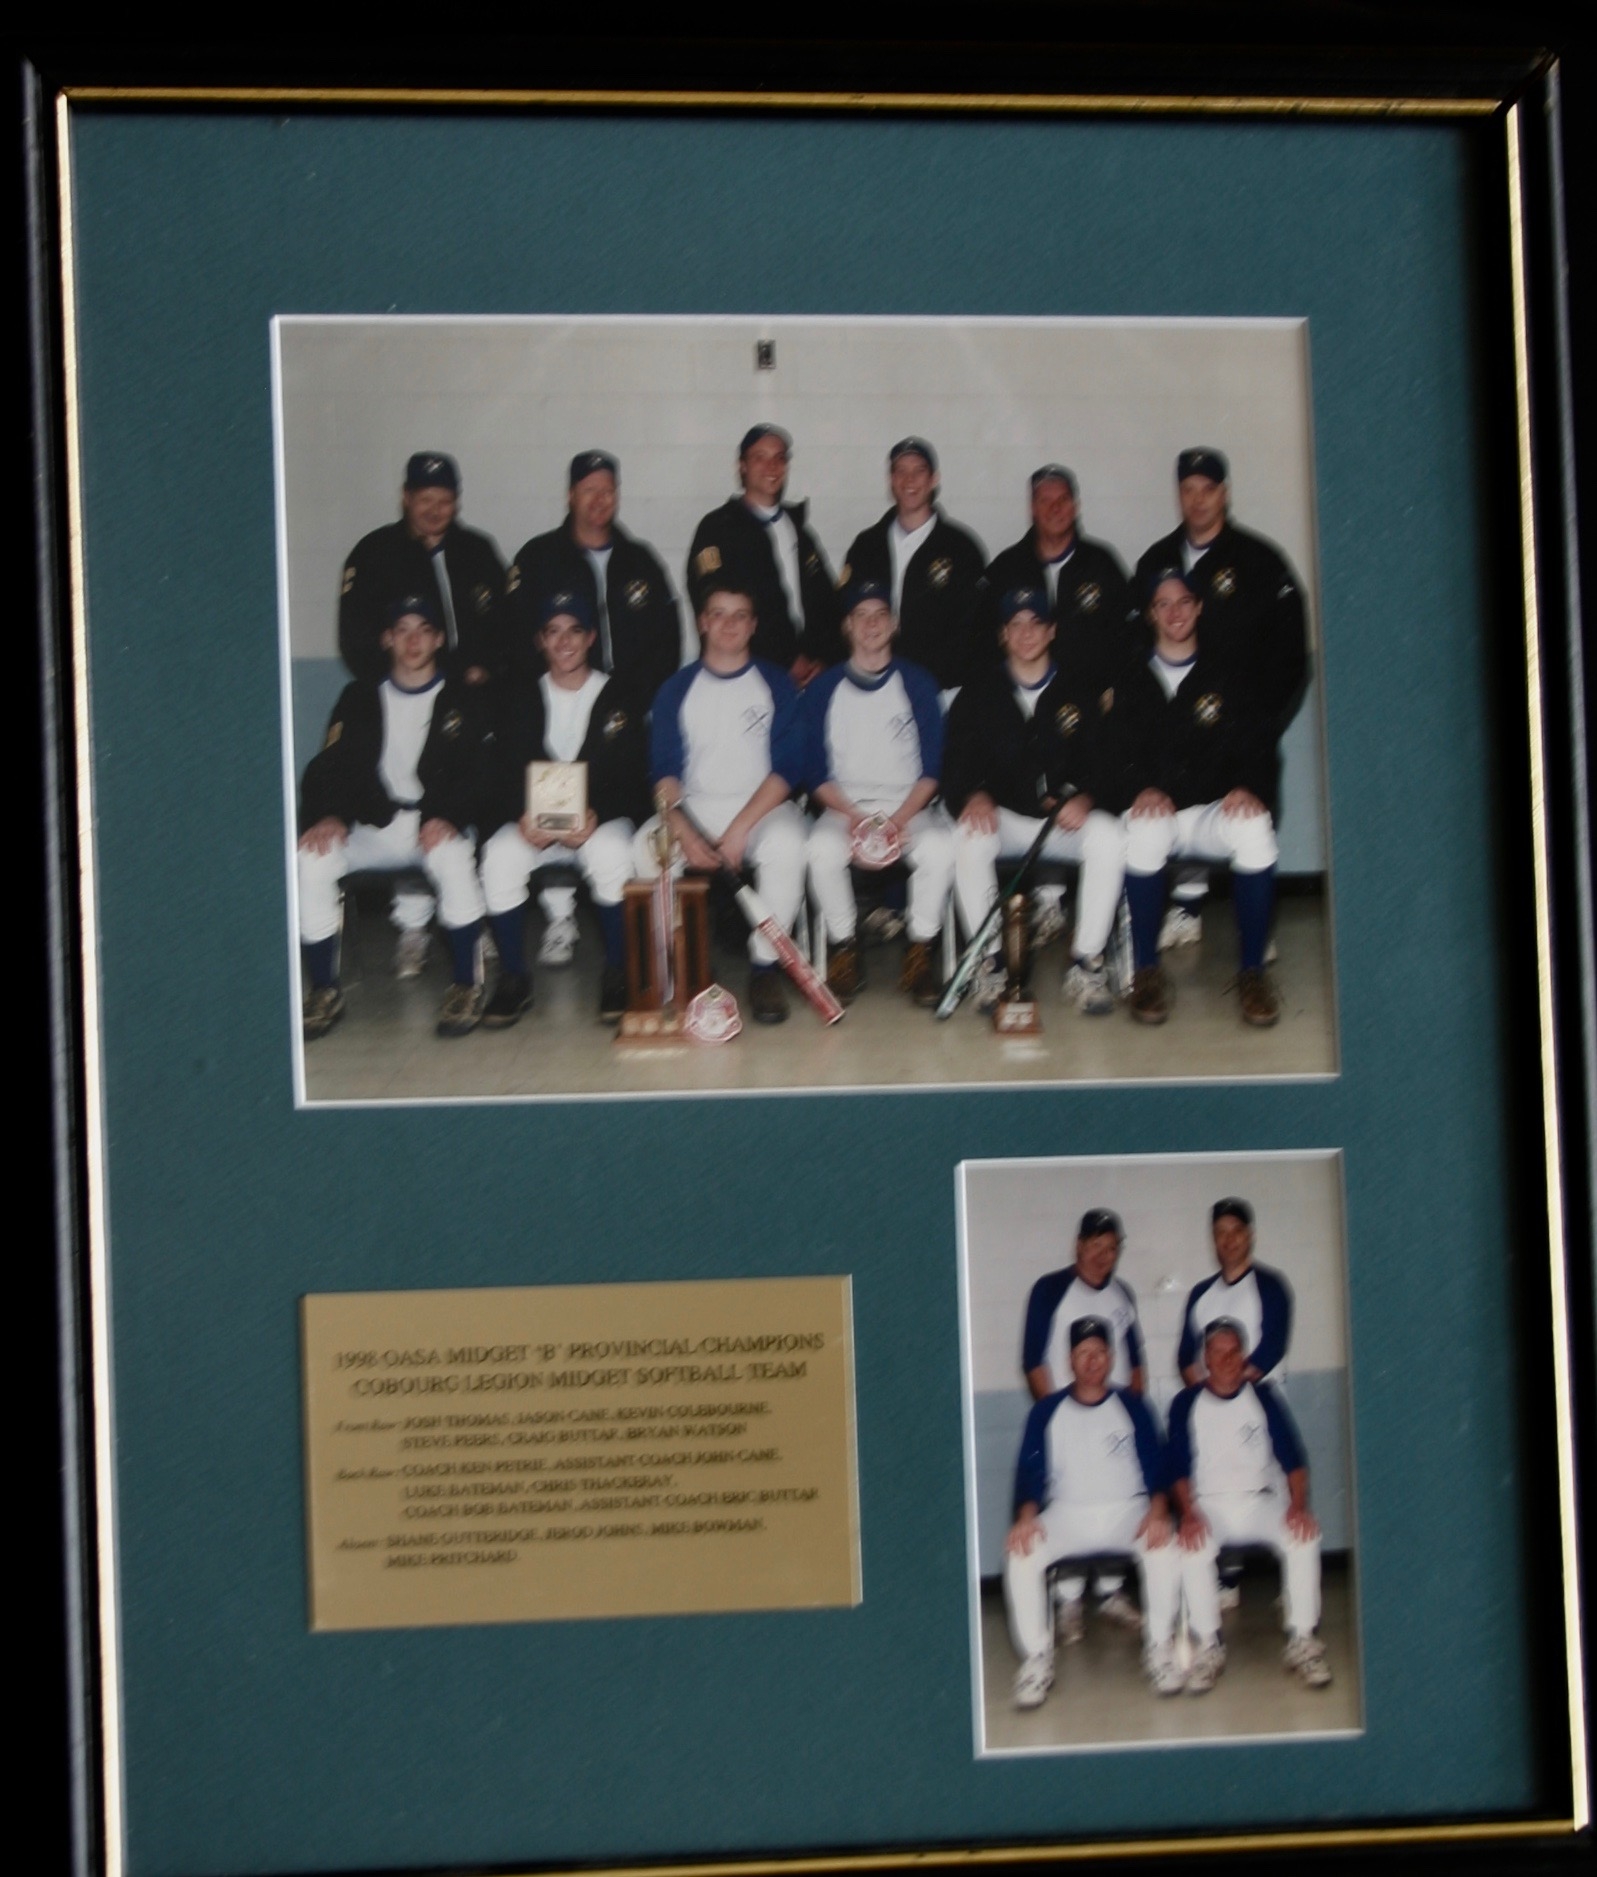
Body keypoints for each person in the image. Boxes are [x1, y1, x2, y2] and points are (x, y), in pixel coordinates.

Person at [1129, 448, 1309, 952]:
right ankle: (1185, 906)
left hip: (1237, 728)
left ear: (1224, 494)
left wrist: (1260, 721)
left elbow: (1290, 653)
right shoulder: (1156, 560)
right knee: (1169, 814)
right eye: (1188, 490)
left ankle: (1256, 930)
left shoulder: (1260, 560)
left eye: (1208, 489)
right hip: (1174, 724)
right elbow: (1134, 650)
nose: (1198, 500)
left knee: (1245, 823)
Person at [297, 595, 491, 1042]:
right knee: (311, 857)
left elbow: (480, 773)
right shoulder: (360, 696)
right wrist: (329, 815)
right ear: (387, 639)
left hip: (435, 821)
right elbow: (327, 765)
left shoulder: (462, 696)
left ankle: (466, 985)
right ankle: (324, 990)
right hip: (377, 823)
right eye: (402, 630)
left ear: (439, 639)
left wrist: (449, 816)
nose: (413, 640)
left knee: (451, 858)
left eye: (424, 630)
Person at [943, 587, 1127, 1016]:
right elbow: (956, 765)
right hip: (1005, 819)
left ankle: (1087, 962)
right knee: (969, 834)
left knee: (1108, 836)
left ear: (1051, 631)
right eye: (1016, 625)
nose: (1026, 633)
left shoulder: (1079, 690)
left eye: (1036, 623)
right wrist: (974, 794)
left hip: (1062, 823)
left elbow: (1105, 765)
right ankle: (988, 964)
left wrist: (1087, 797)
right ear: (1003, 634)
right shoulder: (979, 692)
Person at [1112, 566, 1283, 1027]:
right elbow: (1114, 753)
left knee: (1254, 827)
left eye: (1184, 601)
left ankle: (1252, 974)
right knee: (1145, 828)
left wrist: (1248, 786)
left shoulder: (1229, 672)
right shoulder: (1131, 677)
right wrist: (1139, 787)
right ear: (1151, 614)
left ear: (1200, 607)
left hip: (1210, 812)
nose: (1175, 612)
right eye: (1163, 604)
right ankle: (1146, 972)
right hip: (1157, 812)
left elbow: (1260, 744)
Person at [634, 579, 808, 1024]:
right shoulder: (676, 688)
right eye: (719, 614)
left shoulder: (776, 683)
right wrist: (685, 832)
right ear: (702, 622)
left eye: (740, 615)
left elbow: (788, 769)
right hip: (694, 807)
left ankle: (765, 967)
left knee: (789, 844)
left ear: (753, 625)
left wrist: (738, 831)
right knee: (645, 848)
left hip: (761, 807)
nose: (729, 624)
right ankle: (680, 970)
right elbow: (663, 775)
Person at [476, 593, 652, 1027]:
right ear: (540, 640)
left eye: (574, 630)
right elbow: (500, 771)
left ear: (591, 637)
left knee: (611, 853)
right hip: (535, 822)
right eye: (553, 632)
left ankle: (618, 972)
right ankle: (513, 977)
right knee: (499, 856)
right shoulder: (521, 696)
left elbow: (633, 775)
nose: (564, 641)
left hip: (597, 820)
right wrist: (520, 815)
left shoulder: (617, 694)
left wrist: (596, 814)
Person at [1003, 1317, 1185, 1710]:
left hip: (1126, 1511)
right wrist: (1025, 1516)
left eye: (1099, 1352)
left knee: (1163, 1544)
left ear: (1110, 1358)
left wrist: (1158, 1511)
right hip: (1068, 1512)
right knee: (1022, 1552)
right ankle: (1036, 1659)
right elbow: (1029, 1473)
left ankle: (1160, 1650)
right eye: (1083, 1353)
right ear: (1070, 1360)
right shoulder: (1046, 1410)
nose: (1091, 1360)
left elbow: (1158, 1468)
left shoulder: (1132, 1405)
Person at [800, 579, 953, 1008]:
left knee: (940, 847)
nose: (871, 624)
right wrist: (857, 820)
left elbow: (932, 769)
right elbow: (815, 773)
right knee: (820, 848)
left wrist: (896, 823)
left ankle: (919, 951)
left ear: (894, 624)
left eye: (880, 615)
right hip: (844, 806)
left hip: (909, 806)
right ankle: (844, 947)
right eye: (861, 616)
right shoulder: (823, 688)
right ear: (847, 626)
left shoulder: (918, 682)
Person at [1167, 1319, 1333, 1694]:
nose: (1226, 1359)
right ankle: (1209, 1645)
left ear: (1243, 1356)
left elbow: (1294, 1460)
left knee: (1304, 1535)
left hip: (1259, 1500)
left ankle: (1303, 1640)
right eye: (1218, 1352)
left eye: (1233, 1352)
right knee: (1193, 1547)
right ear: (1206, 1358)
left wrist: (1298, 1506)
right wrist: (1189, 1514)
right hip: (1209, 1505)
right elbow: (1177, 1468)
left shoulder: (1264, 1397)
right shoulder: (1186, 1403)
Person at [1020, 1208, 1148, 1640]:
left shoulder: (1122, 1294)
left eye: (1111, 1248)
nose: (1103, 1256)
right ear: (1079, 1246)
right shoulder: (1050, 1290)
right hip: (1067, 1418)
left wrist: (1134, 1412)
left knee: (1115, 1496)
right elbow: (1032, 1360)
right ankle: (1069, 1601)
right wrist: (1055, 1418)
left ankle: (1111, 1594)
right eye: (1095, 1246)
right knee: (1069, 1503)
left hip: (1114, 1420)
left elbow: (1135, 1360)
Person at [501, 449, 682, 706]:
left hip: (634, 707)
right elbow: (515, 636)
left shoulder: (641, 560)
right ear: (571, 496)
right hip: (559, 704)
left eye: (607, 491)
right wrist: (544, 696)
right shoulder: (537, 559)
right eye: (589, 490)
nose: (599, 499)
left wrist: (645, 695)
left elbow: (667, 636)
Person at [337, 452, 506, 691]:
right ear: (407, 498)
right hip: (400, 693)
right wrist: (395, 685)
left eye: (445, 501)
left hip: (475, 691)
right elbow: (355, 638)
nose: (435, 511)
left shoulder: (478, 551)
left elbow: (505, 622)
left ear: (457, 502)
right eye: (426, 500)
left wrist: (487, 669)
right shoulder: (374, 555)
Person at [686, 425, 842, 682]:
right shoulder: (718, 529)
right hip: (746, 673)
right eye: (760, 458)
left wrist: (824, 659)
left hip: (809, 678)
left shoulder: (800, 532)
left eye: (779, 458)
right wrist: (787, 659)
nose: (772, 466)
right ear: (742, 466)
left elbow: (827, 603)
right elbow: (715, 606)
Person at [835, 438, 987, 696]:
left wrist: (931, 679)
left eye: (919, 471)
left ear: (934, 479)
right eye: (901, 471)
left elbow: (974, 628)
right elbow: (843, 614)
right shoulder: (866, 545)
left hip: (939, 689)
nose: (910, 480)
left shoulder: (961, 548)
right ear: (891, 480)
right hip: (871, 686)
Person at [977, 464, 1132, 678]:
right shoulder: (1006, 568)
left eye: (1063, 500)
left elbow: (1126, 633)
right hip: (1023, 692)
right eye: (1045, 501)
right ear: (1032, 509)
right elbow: (984, 636)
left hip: (1088, 691)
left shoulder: (1102, 564)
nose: (1055, 508)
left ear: (1075, 507)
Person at [1177, 1197, 1293, 1387]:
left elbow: (1272, 1348)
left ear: (1250, 1235)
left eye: (1237, 1231)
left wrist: (1230, 1393)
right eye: (1221, 1232)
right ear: (1214, 1239)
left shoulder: (1271, 1286)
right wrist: (1208, 1396)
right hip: (1210, 1403)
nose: (1229, 1239)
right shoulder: (1200, 1294)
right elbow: (1186, 1356)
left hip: (1259, 1400)